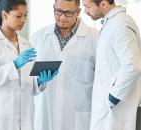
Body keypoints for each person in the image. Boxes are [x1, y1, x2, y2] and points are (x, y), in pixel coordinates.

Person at [0, 0, 58, 130]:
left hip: (24, 117)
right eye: (18, 16)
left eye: (25, 15)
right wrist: (14, 65)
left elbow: (26, 84)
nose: (23, 20)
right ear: (5, 15)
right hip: (0, 118)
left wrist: (39, 81)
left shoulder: (26, 44)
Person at [31, 0, 97, 130]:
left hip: (79, 119)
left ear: (78, 12)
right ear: (54, 8)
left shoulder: (94, 39)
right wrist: (38, 81)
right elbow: (27, 80)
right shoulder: (38, 38)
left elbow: (102, 80)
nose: (62, 17)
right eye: (58, 11)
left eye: (68, 13)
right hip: (45, 116)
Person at [82, 0, 141, 130]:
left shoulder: (120, 25)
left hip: (115, 111)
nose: (85, 11)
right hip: (108, 111)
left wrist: (113, 98)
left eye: (87, 6)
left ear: (103, 4)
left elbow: (132, 66)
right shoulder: (112, 23)